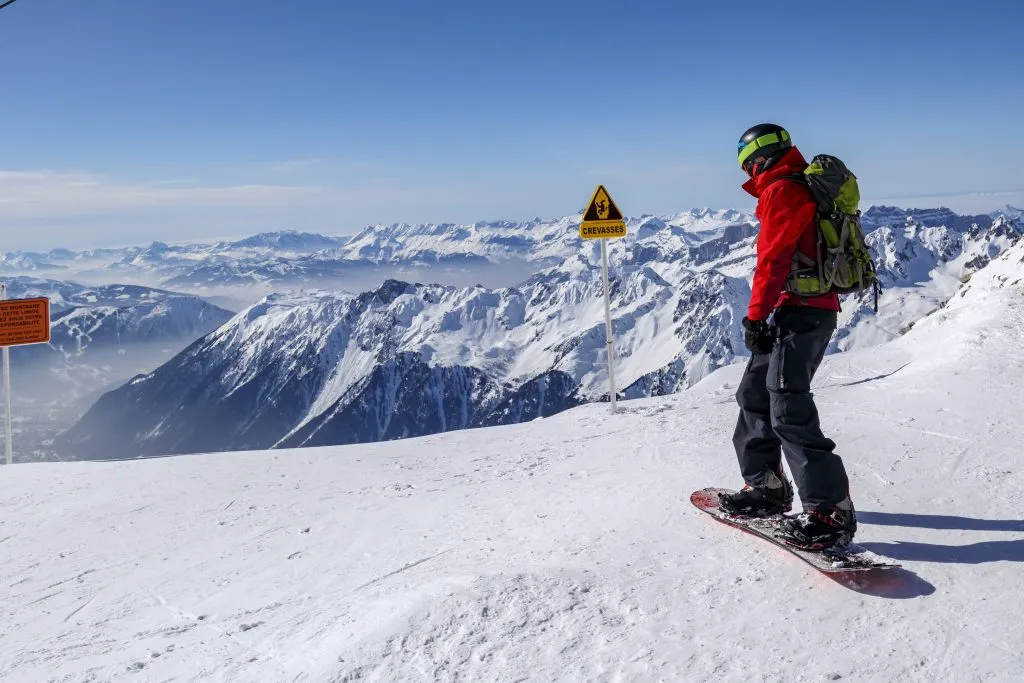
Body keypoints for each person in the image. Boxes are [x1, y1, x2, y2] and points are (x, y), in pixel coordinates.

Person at [718, 123, 857, 550]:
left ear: (756, 160)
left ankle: (831, 512)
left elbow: (773, 258)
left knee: (787, 407)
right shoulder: (792, 187)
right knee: (755, 394)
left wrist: (755, 316)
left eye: (747, 164)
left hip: (802, 314)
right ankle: (767, 485)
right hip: (793, 311)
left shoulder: (784, 191)